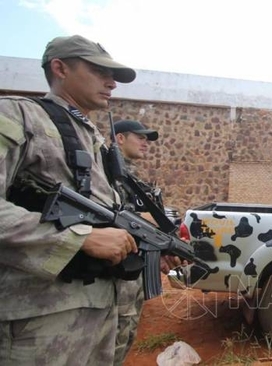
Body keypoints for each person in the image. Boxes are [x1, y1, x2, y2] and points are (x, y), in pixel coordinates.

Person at [0, 35, 138, 364]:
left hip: (101, 312)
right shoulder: (20, 116)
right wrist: (79, 238)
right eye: (100, 71)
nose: (112, 83)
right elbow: (87, 233)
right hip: (40, 319)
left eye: (114, 76)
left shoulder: (95, 141)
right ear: (60, 68)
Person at [111, 119, 161, 365]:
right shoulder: (111, 171)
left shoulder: (128, 173)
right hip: (117, 275)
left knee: (126, 334)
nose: (145, 143)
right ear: (120, 138)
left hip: (133, 269)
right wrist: (144, 218)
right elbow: (111, 213)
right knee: (114, 340)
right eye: (139, 137)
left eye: (147, 139)